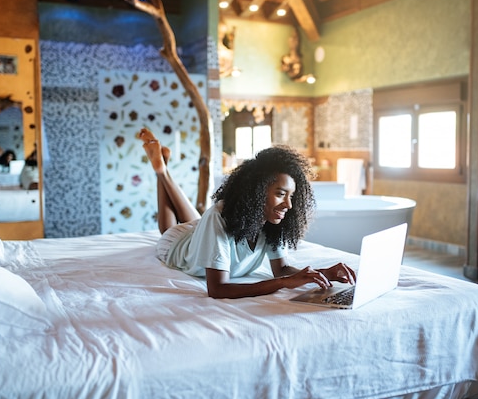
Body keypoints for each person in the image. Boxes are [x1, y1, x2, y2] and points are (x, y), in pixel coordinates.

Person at [139, 128, 356, 299]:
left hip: (200, 229)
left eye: (291, 196)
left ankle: (163, 168)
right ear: (257, 190)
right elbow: (218, 289)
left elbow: (281, 270)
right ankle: (161, 171)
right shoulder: (219, 216)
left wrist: (323, 273)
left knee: (197, 219)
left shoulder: (273, 219)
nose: (288, 205)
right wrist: (282, 284)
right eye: (281, 194)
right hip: (177, 243)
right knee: (169, 229)